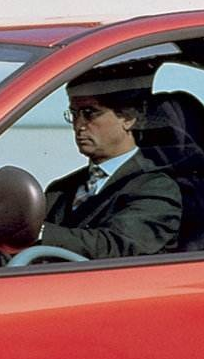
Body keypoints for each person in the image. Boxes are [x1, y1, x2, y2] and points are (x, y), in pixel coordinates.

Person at [34, 64, 181, 259]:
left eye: (90, 113)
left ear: (128, 118)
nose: (79, 126)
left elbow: (116, 245)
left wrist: (39, 233)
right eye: (74, 114)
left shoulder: (156, 187)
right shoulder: (61, 189)